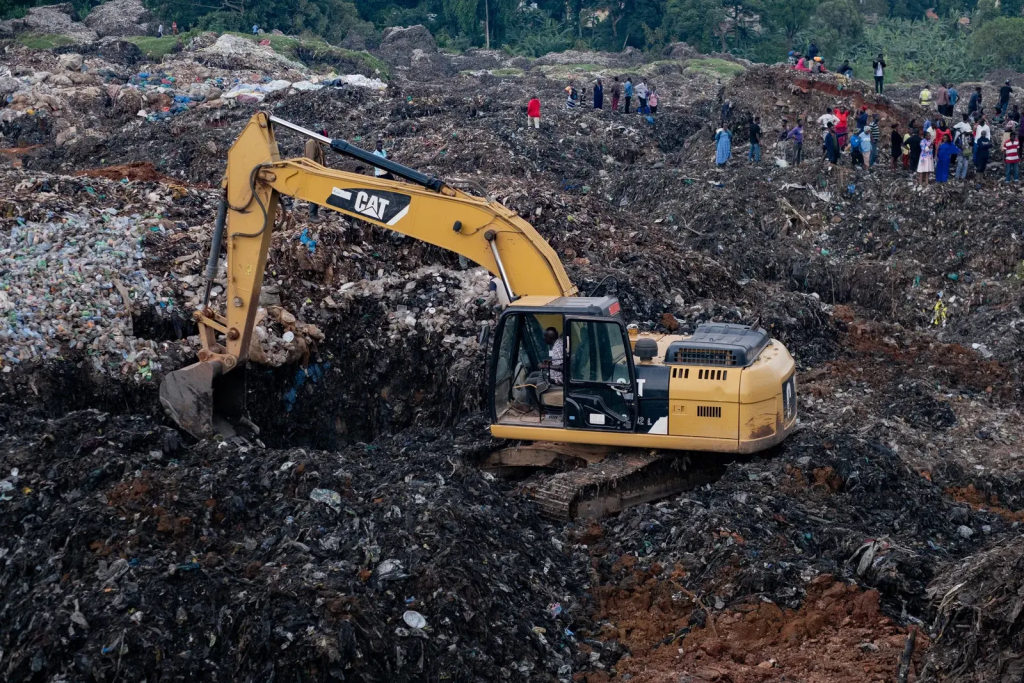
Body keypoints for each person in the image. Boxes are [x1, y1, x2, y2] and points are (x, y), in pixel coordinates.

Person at [305, 130, 327, 218]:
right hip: (313, 173)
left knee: (317, 194)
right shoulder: (311, 143)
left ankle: (315, 214)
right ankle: (312, 215)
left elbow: (322, 161)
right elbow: (309, 161)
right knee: (314, 194)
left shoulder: (318, 144)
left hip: (318, 173)